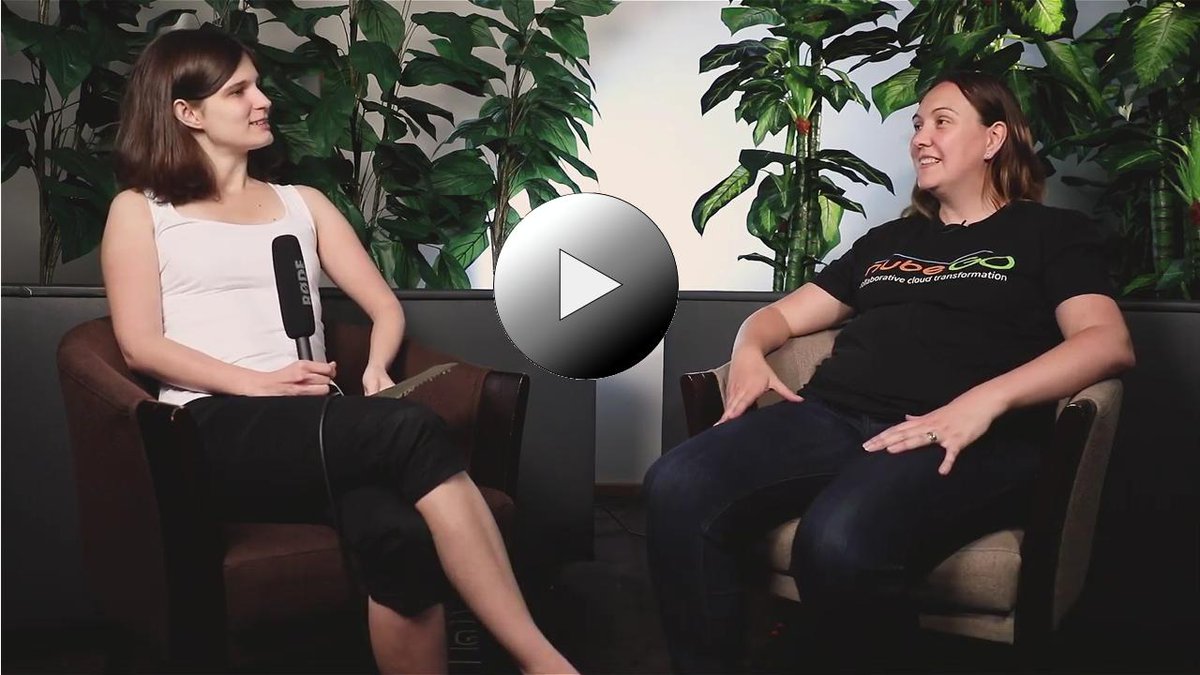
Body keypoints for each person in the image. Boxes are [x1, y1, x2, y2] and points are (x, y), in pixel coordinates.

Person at [101, 29, 575, 675]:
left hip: (311, 427)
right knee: (408, 430)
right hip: (209, 426)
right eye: (238, 91)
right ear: (187, 112)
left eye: (258, 85)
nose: (263, 100)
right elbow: (139, 345)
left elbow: (384, 307)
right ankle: (542, 662)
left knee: (399, 539)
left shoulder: (304, 204)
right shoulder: (141, 210)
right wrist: (255, 382)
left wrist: (376, 367)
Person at [644, 71, 1136, 673]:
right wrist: (748, 351)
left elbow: (1107, 342)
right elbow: (778, 317)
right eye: (917, 124)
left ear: (993, 138)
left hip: (958, 435)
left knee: (837, 540)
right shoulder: (889, 241)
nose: (921, 137)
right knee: (675, 483)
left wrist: (981, 402)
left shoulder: (1051, 234)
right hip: (833, 416)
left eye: (942, 122)